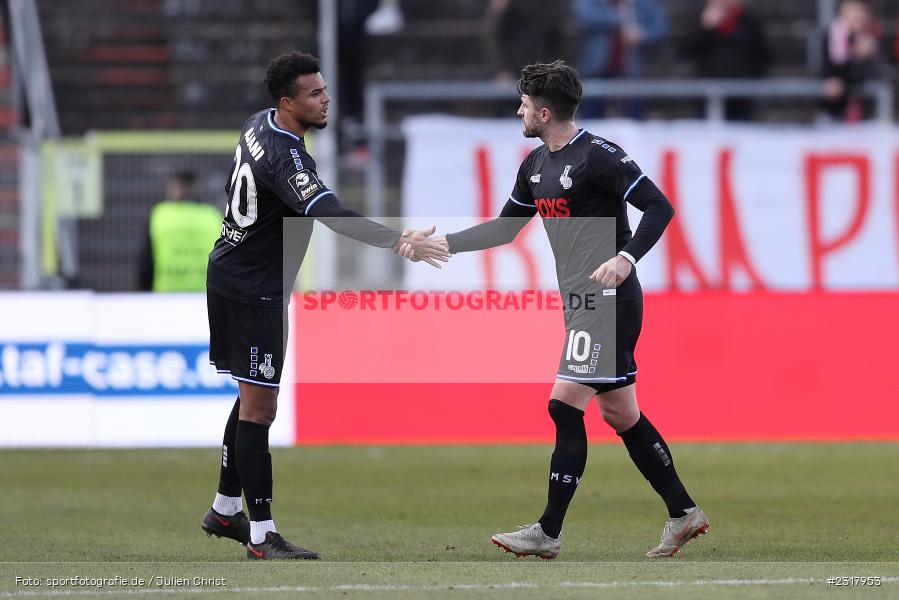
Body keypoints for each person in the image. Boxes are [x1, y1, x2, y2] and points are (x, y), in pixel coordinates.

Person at [399, 61, 708, 559]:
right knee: (620, 413)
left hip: (608, 300)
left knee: (564, 404)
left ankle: (548, 531)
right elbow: (504, 229)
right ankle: (683, 512)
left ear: (544, 112)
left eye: (524, 105)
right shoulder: (535, 165)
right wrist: (445, 243)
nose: (518, 111)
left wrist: (626, 258)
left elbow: (659, 206)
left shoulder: (599, 157)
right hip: (582, 301)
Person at [200, 51, 447, 560]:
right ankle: (262, 534)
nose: (326, 98)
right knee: (260, 406)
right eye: (314, 93)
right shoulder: (285, 155)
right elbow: (329, 212)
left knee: (252, 396)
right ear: (287, 102)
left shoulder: (257, 124)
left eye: (325, 88)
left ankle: (226, 508)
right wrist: (400, 240)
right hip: (253, 287)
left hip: (236, 272)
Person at [573, 0, 668, 119]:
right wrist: (621, 16)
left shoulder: (643, 3)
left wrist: (642, 34)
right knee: (592, 117)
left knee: (634, 118)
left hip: (631, 70)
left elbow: (661, 26)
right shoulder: (593, 2)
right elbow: (584, 17)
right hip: (596, 69)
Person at [683, 0, 769, 121]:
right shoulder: (700, 19)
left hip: (741, 95)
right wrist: (705, 27)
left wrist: (750, 78)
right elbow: (687, 50)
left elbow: (763, 55)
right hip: (708, 92)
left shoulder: (749, 22)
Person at [137, 171, 221, 291]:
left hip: (166, 299)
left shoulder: (159, 216)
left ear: (174, 188)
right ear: (197, 188)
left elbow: (145, 265)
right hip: (206, 298)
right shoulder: (213, 217)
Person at [822, 0, 882, 122]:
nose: (857, 16)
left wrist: (864, 57)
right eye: (852, 12)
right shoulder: (832, 35)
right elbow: (829, 69)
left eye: (860, 11)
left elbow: (876, 75)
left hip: (866, 110)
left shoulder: (870, 38)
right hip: (837, 109)